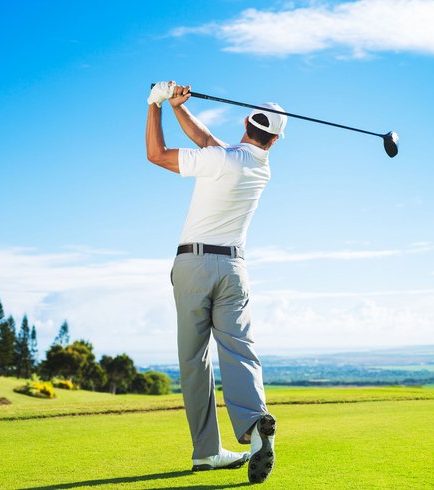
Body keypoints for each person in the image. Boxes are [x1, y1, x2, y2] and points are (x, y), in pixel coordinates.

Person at [145, 81, 283, 484]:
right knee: (239, 351)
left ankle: (206, 450)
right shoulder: (259, 166)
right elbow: (207, 141)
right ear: (273, 139)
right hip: (234, 270)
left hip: (193, 265)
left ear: (246, 121)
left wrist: (153, 105)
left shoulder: (222, 159)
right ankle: (255, 423)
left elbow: (156, 154)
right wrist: (176, 106)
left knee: (194, 360)